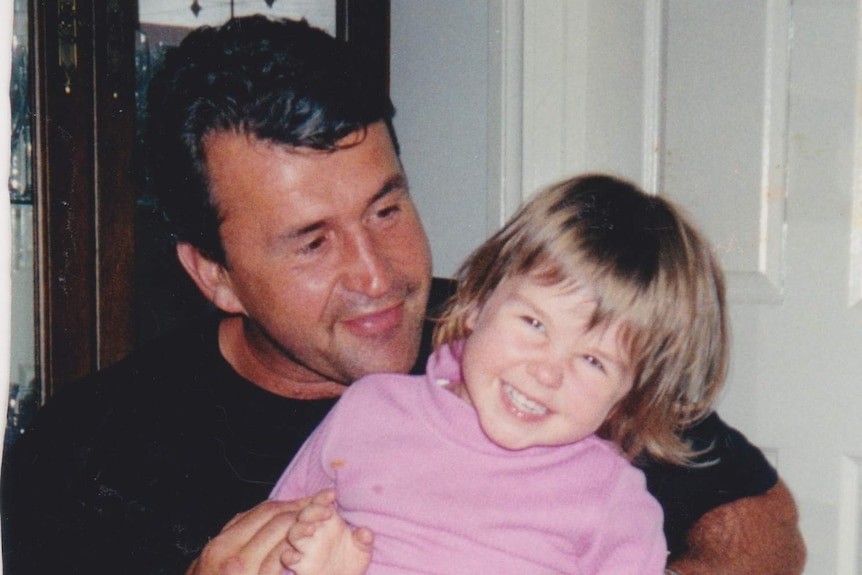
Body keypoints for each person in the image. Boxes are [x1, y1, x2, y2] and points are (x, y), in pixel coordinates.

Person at [0, 15, 805, 575]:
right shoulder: (85, 449)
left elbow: (761, 525)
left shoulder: (519, 340)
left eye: (387, 207)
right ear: (215, 275)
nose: (378, 274)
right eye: (313, 241)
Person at [272, 174, 727, 575]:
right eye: (534, 324)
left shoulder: (612, 499)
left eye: (593, 361)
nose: (548, 372)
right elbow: (263, 543)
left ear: (630, 395)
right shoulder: (370, 411)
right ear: (477, 303)